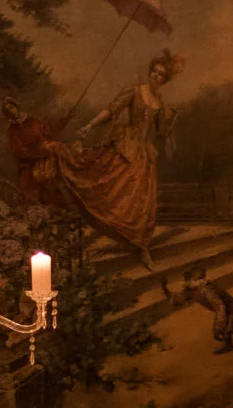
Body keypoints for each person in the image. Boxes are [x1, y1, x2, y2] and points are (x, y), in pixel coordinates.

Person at [53, 49, 183, 267]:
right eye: (154, 72)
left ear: (165, 80)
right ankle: (122, 234)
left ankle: (141, 246)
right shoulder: (135, 92)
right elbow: (112, 110)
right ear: (150, 72)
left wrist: (170, 125)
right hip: (127, 145)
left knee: (143, 202)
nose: (156, 76)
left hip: (144, 154)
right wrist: (89, 125)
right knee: (115, 190)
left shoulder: (160, 104)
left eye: (161, 74)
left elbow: (161, 134)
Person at [164, 262, 233, 353]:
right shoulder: (194, 290)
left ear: (198, 280)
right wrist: (166, 291)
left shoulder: (207, 291)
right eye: (187, 281)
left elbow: (220, 306)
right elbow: (181, 297)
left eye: (190, 280)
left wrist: (218, 326)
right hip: (225, 311)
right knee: (227, 328)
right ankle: (229, 345)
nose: (187, 283)